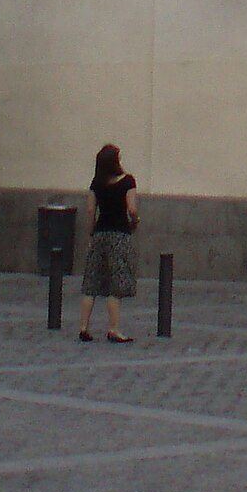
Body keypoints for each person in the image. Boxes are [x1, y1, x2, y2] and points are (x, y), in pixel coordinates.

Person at [78, 143, 138, 342]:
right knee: (115, 283)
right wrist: (135, 222)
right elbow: (132, 209)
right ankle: (113, 328)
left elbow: (89, 210)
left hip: (100, 233)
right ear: (115, 161)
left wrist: (91, 231)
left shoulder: (96, 183)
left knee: (91, 281)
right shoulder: (127, 181)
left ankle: (84, 326)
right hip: (119, 234)